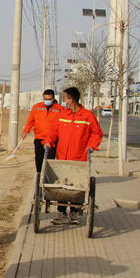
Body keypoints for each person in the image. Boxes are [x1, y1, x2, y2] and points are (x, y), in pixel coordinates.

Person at [42, 87, 103, 224]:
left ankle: (75, 213)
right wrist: (48, 142)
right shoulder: (62, 115)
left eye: (65, 98)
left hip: (79, 159)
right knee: (62, 187)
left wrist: (91, 146)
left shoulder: (87, 116)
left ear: (71, 99)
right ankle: (62, 213)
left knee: (77, 187)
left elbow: (97, 133)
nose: (64, 101)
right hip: (62, 158)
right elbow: (53, 131)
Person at [21, 89, 64, 173]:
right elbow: (30, 121)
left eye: (49, 99)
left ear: (53, 98)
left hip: (52, 140)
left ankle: (47, 176)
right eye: (45, 99)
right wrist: (26, 132)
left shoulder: (60, 109)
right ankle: (39, 174)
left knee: (50, 159)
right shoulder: (37, 107)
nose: (47, 101)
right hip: (39, 138)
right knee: (38, 158)